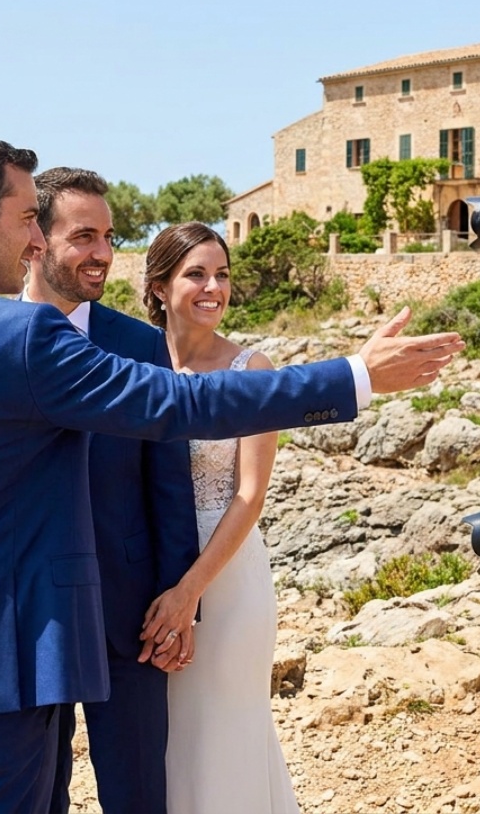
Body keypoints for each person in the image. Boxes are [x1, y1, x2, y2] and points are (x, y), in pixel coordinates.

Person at [0, 133, 464, 814]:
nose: (33, 240)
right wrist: (353, 376)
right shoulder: (17, 336)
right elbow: (180, 403)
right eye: (25, 219)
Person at [19, 167, 197, 814]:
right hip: (22, 620)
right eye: (84, 236)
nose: (103, 253)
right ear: (35, 239)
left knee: (140, 794)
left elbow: (170, 483)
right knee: (35, 798)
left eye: (108, 237)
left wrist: (181, 601)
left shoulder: (141, 344)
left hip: (129, 614)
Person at [130, 223, 297, 814]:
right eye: (196, 274)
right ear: (159, 287)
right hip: (148, 577)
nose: (213, 288)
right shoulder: (132, 367)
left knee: (226, 733)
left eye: (222, 275)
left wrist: (188, 593)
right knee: (171, 746)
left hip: (226, 579)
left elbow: (249, 496)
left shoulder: (251, 370)